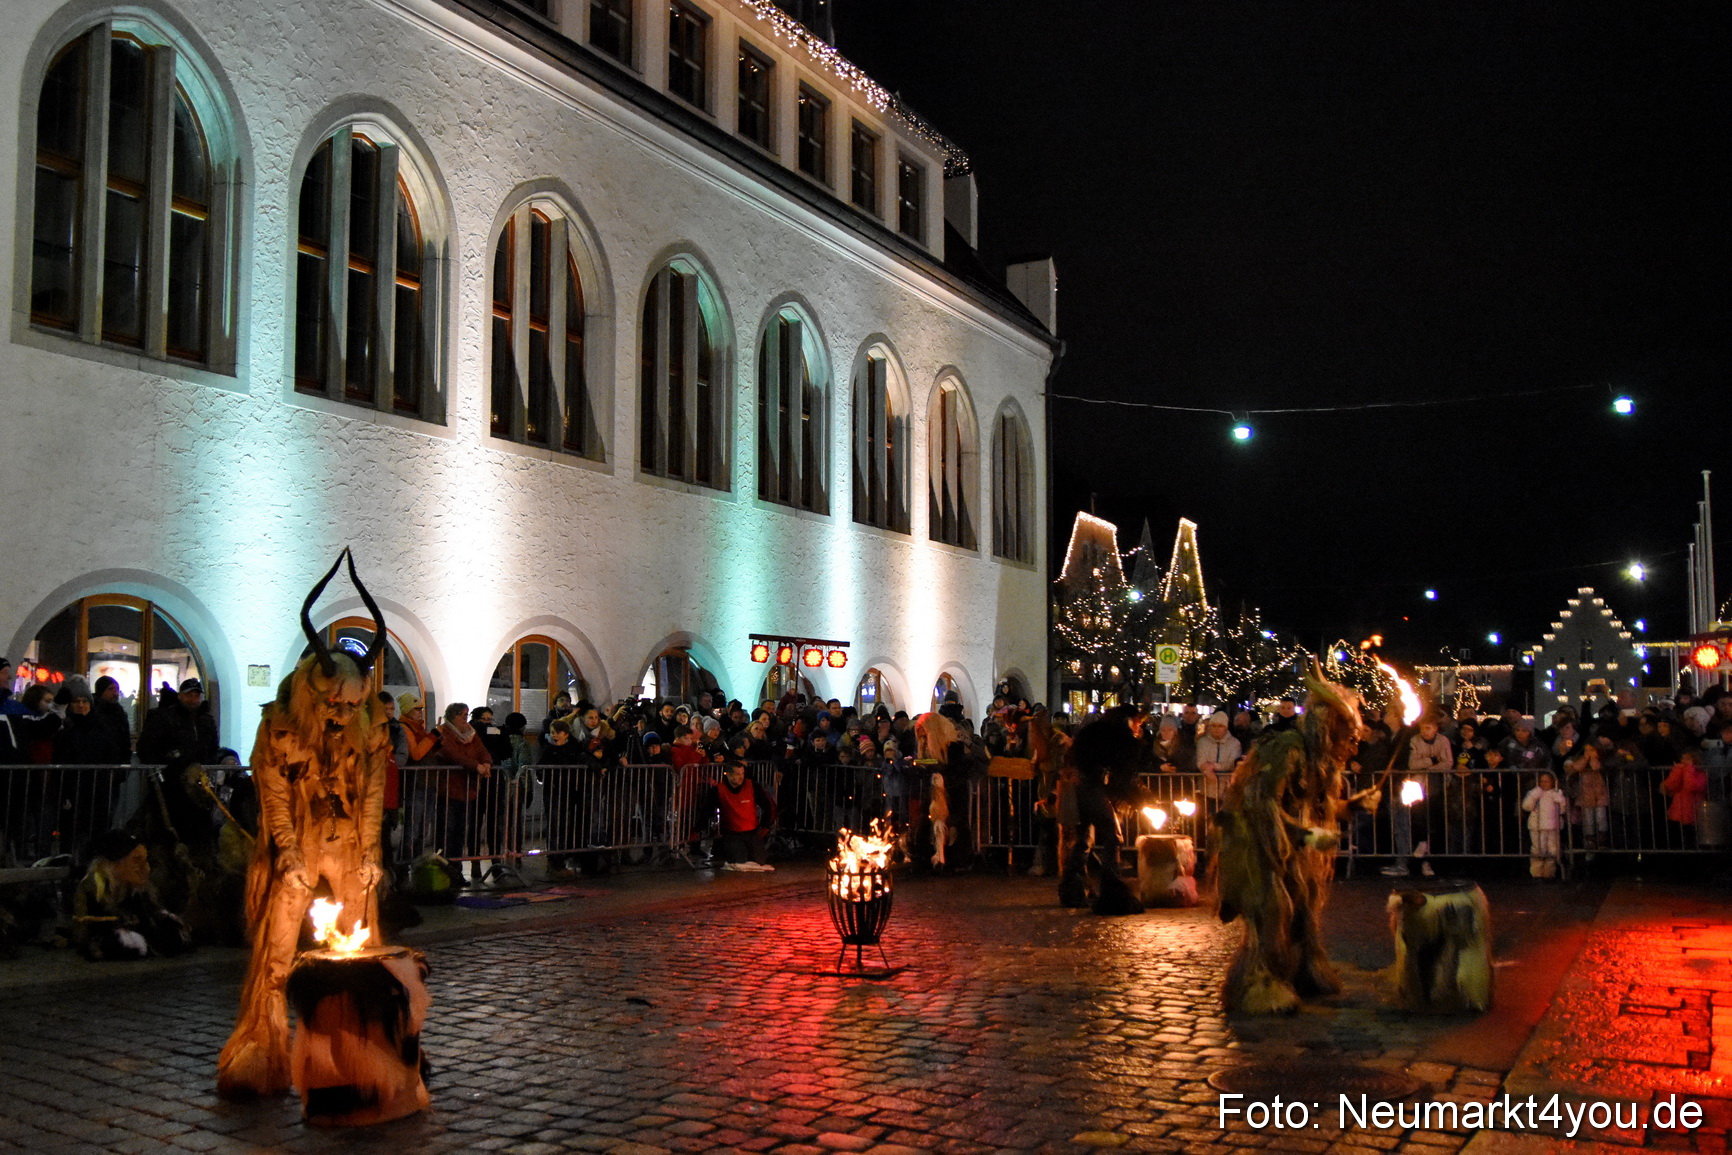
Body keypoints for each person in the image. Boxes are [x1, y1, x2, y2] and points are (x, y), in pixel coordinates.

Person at [438, 703, 493, 884]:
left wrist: (486, 763)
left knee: (460, 833)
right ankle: (444, 871)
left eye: (466, 714)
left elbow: (482, 751)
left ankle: (456, 871)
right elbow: (452, 754)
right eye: (462, 714)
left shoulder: (471, 733)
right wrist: (476, 766)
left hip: (467, 790)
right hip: (449, 790)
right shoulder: (444, 732)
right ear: (452, 716)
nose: (465, 718)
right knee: (447, 832)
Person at [696, 759, 775, 871]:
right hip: (732, 832)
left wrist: (766, 825)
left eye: (742, 773)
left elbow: (768, 805)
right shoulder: (718, 790)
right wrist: (698, 829)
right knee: (738, 860)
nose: (741, 777)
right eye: (737, 774)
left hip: (752, 831)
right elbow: (707, 811)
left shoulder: (752, 786)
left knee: (759, 861)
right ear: (728, 775)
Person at [137, 677, 219, 765]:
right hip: (171, 770)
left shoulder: (206, 720)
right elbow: (146, 746)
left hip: (200, 770)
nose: (193, 700)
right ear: (180, 696)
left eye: (196, 696)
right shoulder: (164, 717)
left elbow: (213, 748)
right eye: (189, 695)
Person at [1522, 770, 1568, 879]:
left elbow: (1563, 810)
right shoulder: (1535, 792)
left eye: (1547, 781)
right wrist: (1534, 796)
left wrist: (1561, 800)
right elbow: (1526, 806)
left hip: (1553, 826)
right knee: (1538, 849)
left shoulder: (1556, 793)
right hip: (1537, 826)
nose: (1544, 784)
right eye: (1542, 781)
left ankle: (1549, 872)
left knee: (1553, 849)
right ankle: (1537, 873)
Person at [1661, 749, 1708, 848]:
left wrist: (1689, 770)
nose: (1683, 761)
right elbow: (1670, 786)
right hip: (1678, 812)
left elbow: (1691, 786)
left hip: (1693, 812)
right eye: (1683, 758)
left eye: (1687, 759)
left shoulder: (1700, 773)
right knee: (1677, 840)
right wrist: (1677, 771)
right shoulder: (1681, 771)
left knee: (1691, 839)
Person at [1194, 711, 1241, 801]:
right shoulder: (1202, 742)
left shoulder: (1235, 743)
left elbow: (1232, 763)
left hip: (1226, 791)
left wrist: (1214, 766)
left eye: (1220, 726)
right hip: (1206, 790)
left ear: (1225, 728)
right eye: (1214, 726)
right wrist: (1206, 768)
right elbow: (1201, 761)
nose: (1217, 729)